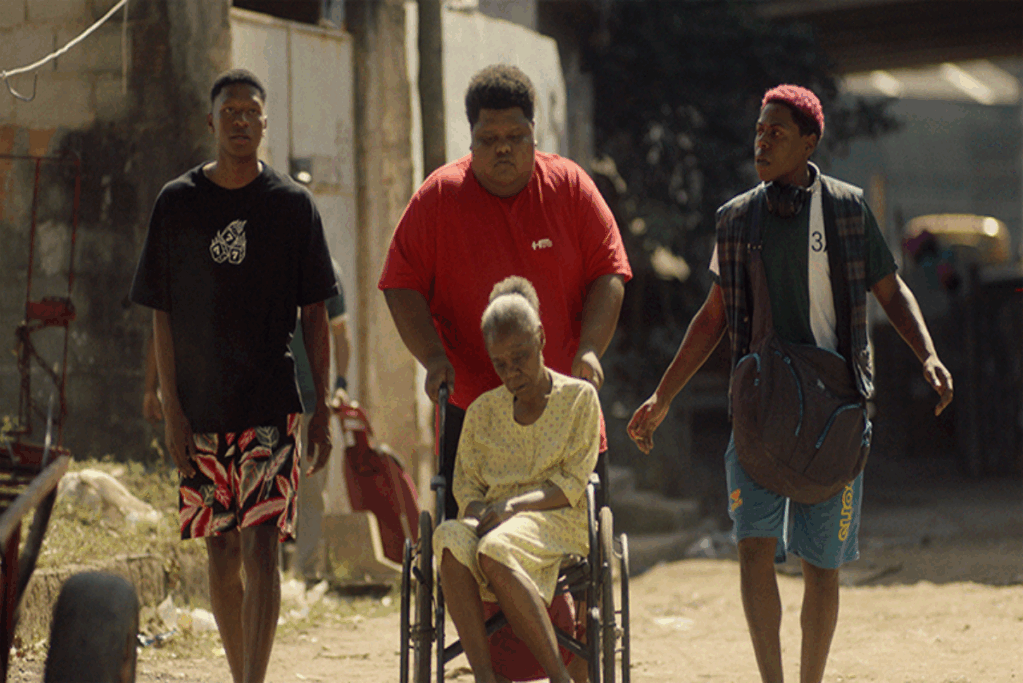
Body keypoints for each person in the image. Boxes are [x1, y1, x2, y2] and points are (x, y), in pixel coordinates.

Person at [627, 84, 953, 683]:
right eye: (759, 130)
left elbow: (892, 291)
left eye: (778, 131)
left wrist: (927, 355)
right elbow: (712, 318)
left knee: (820, 565)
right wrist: (662, 396)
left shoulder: (849, 210)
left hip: (836, 415)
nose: (763, 140)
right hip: (757, 412)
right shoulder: (736, 219)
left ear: (809, 142)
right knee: (753, 545)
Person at [129, 69, 338, 683]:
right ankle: (237, 667)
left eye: (252, 111)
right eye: (231, 111)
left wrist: (321, 404)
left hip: (271, 404)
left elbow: (317, 314)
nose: (241, 121)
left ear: (265, 124)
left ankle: (253, 679)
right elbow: (160, 312)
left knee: (264, 544)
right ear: (211, 122)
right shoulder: (178, 202)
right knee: (220, 548)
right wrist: (171, 408)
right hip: (200, 406)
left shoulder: (292, 206)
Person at [379, 63, 631, 522]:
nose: (502, 149)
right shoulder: (439, 198)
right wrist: (434, 358)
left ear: (534, 135)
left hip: (562, 403)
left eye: (515, 137)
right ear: (470, 140)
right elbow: (400, 284)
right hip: (473, 410)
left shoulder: (570, 188)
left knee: (578, 538)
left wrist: (592, 348)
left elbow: (609, 273)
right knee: (470, 540)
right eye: (488, 139)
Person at [433, 276, 600, 683]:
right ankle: (485, 675)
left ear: (540, 338)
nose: (512, 372)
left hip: (558, 517)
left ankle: (559, 676)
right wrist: (478, 512)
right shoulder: (481, 412)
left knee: (494, 548)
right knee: (449, 540)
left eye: (521, 357)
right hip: (492, 520)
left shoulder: (579, 399)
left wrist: (513, 507)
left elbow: (573, 481)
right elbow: (467, 485)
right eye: (501, 364)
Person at [292, 260, 352, 579]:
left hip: (314, 401)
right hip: (270, 399)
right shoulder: (266, 261)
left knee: (312, 489)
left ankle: (308, 572)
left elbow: (341, 334)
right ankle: (266, 573)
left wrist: (340, 385)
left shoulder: (326, 271)